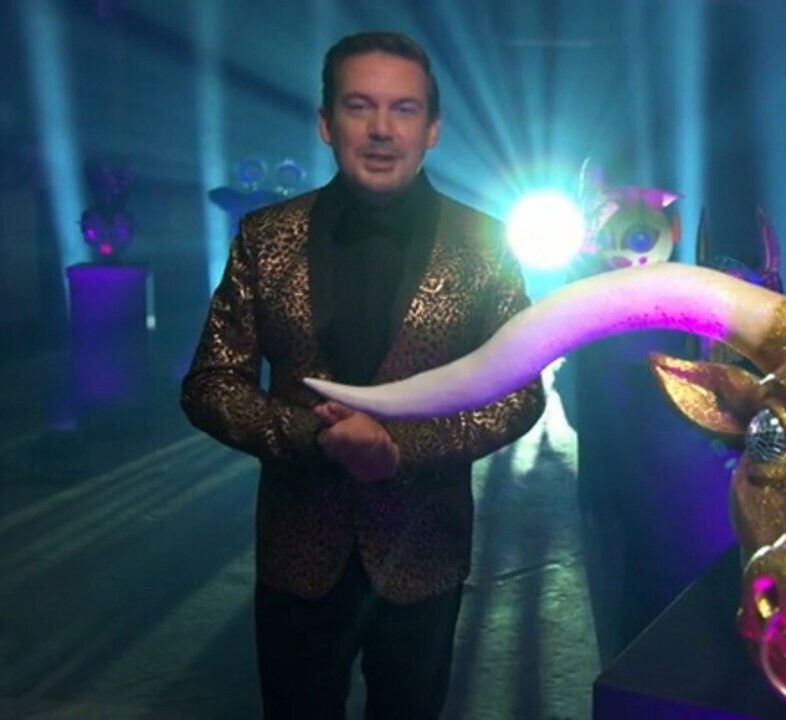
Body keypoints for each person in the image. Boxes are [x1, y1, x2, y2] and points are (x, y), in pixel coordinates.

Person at [180, 30, 545, 719]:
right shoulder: (264, 235)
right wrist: (310, 438)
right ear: (327, 122)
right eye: (359, 105)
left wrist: (401, 449)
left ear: (432, 129)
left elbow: (519, 391)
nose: (382, 128)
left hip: (423, 551)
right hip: (296, 551)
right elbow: (209, 383)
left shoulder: (486, 245)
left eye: (404, 109)